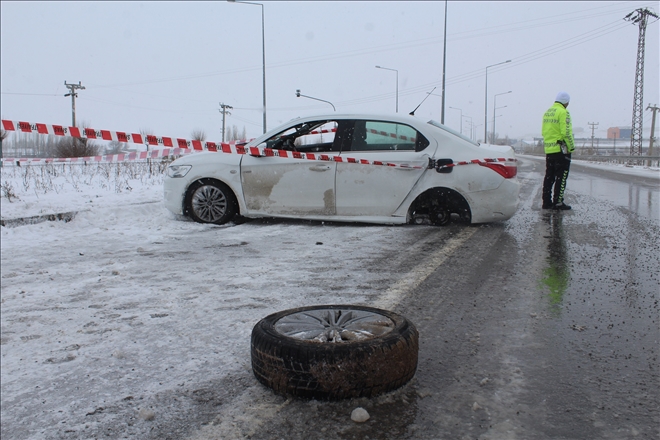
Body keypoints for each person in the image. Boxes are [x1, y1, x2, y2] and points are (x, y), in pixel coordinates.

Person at [541, 91, 575, 210]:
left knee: (549, 176)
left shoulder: (548, 112)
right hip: (561, 150)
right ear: (566, 102)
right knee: (561, 176)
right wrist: (571, 147)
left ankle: (546, 202)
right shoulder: (563, 112)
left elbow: (544, 132)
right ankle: (558, 202)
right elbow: (566, 132)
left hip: (549, 150)